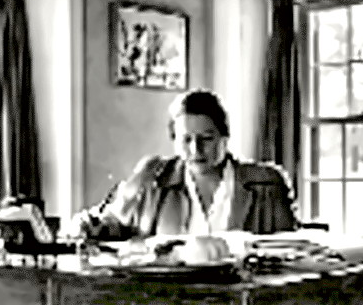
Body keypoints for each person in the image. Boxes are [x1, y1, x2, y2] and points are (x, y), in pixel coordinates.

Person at [71, 88, 299, 240]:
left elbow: (291, 254)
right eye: (186, 139)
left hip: (241, 302)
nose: (195, 150)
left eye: (206, 139)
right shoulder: (153, 179)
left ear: (225, 138)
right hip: (167, 303)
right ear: (173, 140)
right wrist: (87, 227)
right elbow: (113, 223)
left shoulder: (267, 185)